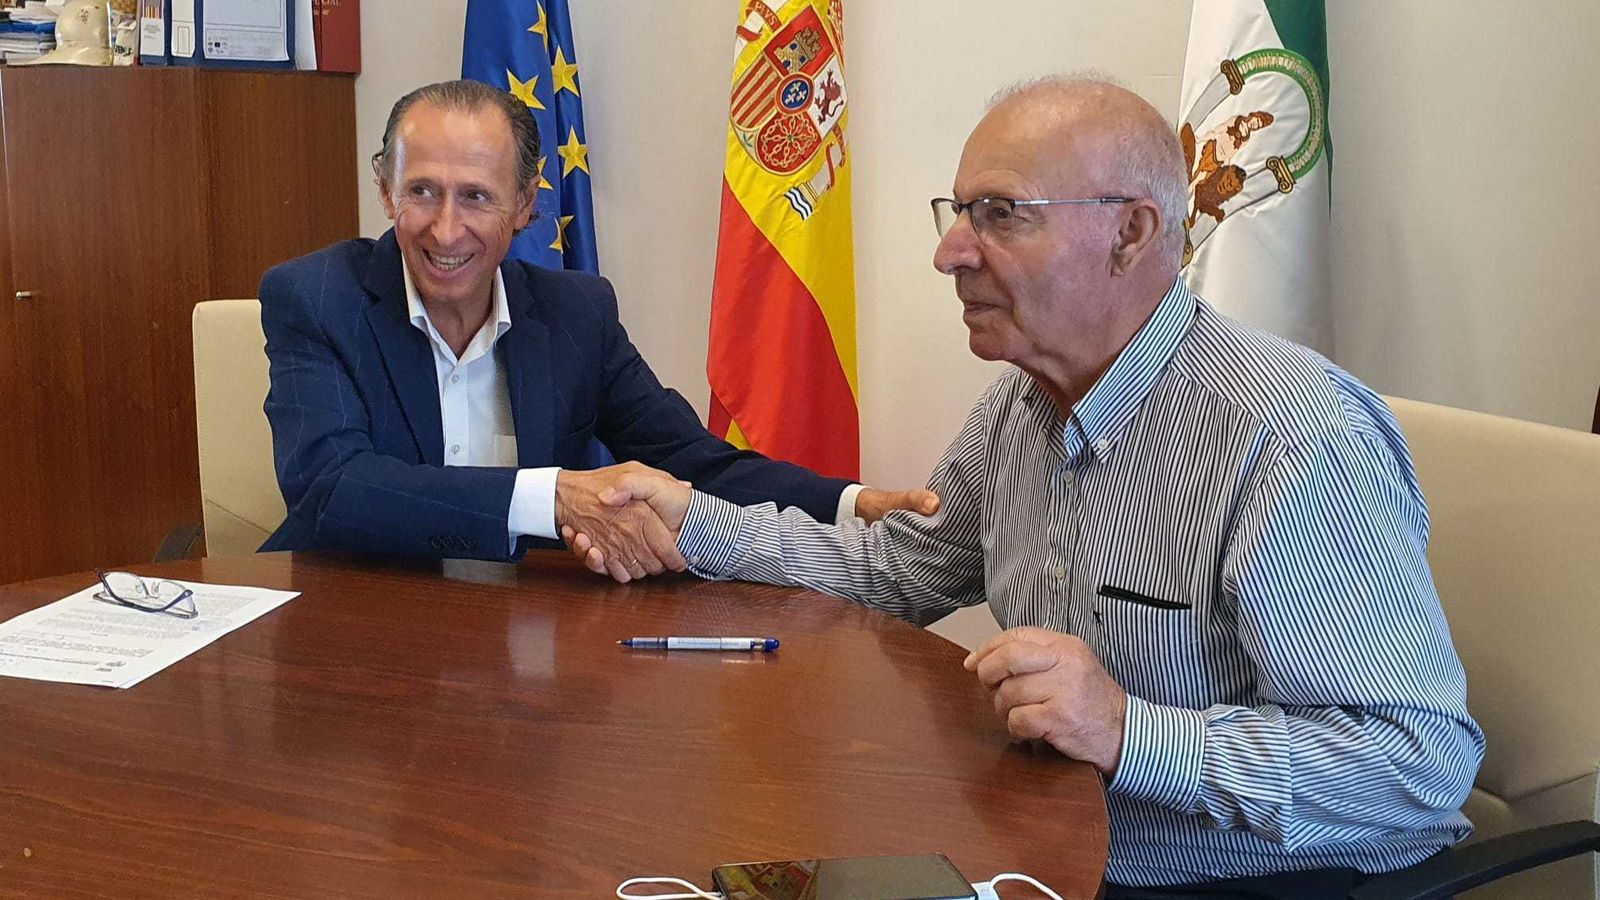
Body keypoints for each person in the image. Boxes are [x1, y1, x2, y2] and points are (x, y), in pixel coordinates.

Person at [571, 76, 1485, 898]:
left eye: (1002, 214)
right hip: (1042, 843)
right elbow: (900, 571)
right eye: (959, 212)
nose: (950, 253)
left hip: (1250, 878)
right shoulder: (1023, 399)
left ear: (1131, 233)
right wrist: (694, 522)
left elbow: (1419, 766)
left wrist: (1128, 732)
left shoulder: (1292, 438)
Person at [259, 79, 934, 581]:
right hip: (352, 628)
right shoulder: (316, 298)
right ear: (386, 191)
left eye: (476, 197)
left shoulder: (576, 313)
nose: (446, 228)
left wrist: (850, 503)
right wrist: (551, 498)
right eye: (422, 191)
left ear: (525, 205)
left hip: (526, 637)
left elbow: (691, 461)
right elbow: (332, 488)